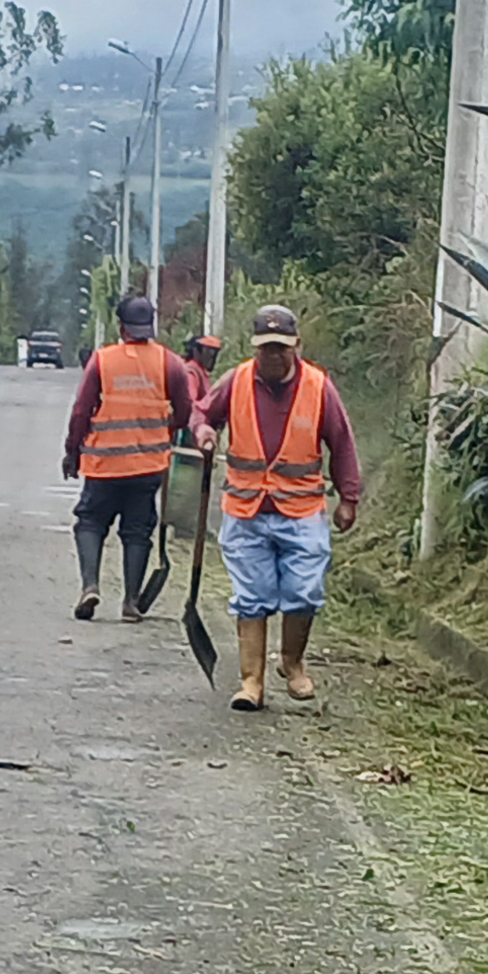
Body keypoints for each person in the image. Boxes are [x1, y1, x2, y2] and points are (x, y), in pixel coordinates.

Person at [194, 301, 360, 712]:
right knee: (251, 597)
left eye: (281, 348)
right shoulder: (236, 381)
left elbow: (341, 442)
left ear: (296, 345)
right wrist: (204, 433)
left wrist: (348, 497)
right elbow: (202, 414)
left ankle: (292, 662)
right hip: (246, 509)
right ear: (255, 347)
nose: (273, 355)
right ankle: (251, 682)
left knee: (304, 592)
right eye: (266, 347)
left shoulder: (318, 387)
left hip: (302, 510)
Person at [60, 293, 196, 622]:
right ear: (150, 326)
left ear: (121, 327)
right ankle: (131, 602)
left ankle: (90, 586)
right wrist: (165, 431)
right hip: (148, 466)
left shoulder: (102, 360)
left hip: (104, 464)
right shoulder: (170, 363)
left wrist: (72, 451)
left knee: (90, 522)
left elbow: (81, 411)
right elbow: (185, 410)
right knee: (137, 530)